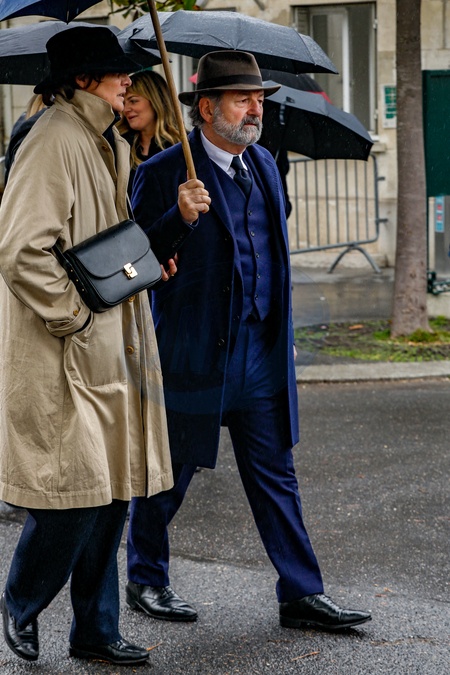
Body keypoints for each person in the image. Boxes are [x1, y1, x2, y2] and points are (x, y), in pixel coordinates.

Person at [126, 50, 372, 632]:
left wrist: (283, 333)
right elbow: (134, 261)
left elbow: (273, 253)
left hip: (261, 349)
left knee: (275, 474)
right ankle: (146, 578)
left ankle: (301, 593)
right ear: (207, 109)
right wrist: (177, 219)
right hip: (193, 353)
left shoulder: (262, 162)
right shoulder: (163, 172)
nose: (256, 109)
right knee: (170, 473)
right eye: (243, 99)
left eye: (259, 98)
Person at [0, 26, 175, 667]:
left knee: (112, 491)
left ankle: (96, 631)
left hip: (112, 342)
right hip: (68, 348)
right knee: (74, 494)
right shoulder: (53, 140)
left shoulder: (104, 139)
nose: (128, 81)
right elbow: (21, 250)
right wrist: (74, 318)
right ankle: (19, 602)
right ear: (82, 80)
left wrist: (145, 264)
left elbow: (104, 241)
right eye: (116, 72)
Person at [117, 69, 182, 194]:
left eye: (133, 101)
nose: (126, 109)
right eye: (124, 102)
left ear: (155, 100)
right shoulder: (119, 144)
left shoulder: (185, 145)